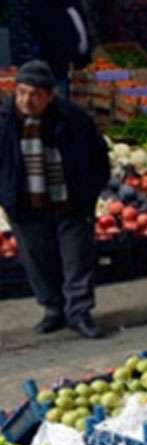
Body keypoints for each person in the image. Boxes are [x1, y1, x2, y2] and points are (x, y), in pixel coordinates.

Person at [0, 61, 109, 338]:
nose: (27, 100)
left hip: (70, 202)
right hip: (25, 203)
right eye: (22, 92)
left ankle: (79, 312)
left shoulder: (73, 118)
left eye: (35, 94)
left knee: (77, 260)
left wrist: (89, 192)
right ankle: (53, 310)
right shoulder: (4, 120)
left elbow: (98, 157)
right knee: (38, 260)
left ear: (50, 95)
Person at [28, 0, 92, 94]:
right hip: (59, 67)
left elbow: (82, 28)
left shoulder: (75, 3)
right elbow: (46, 36)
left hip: (80, 65)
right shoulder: (42, 6)